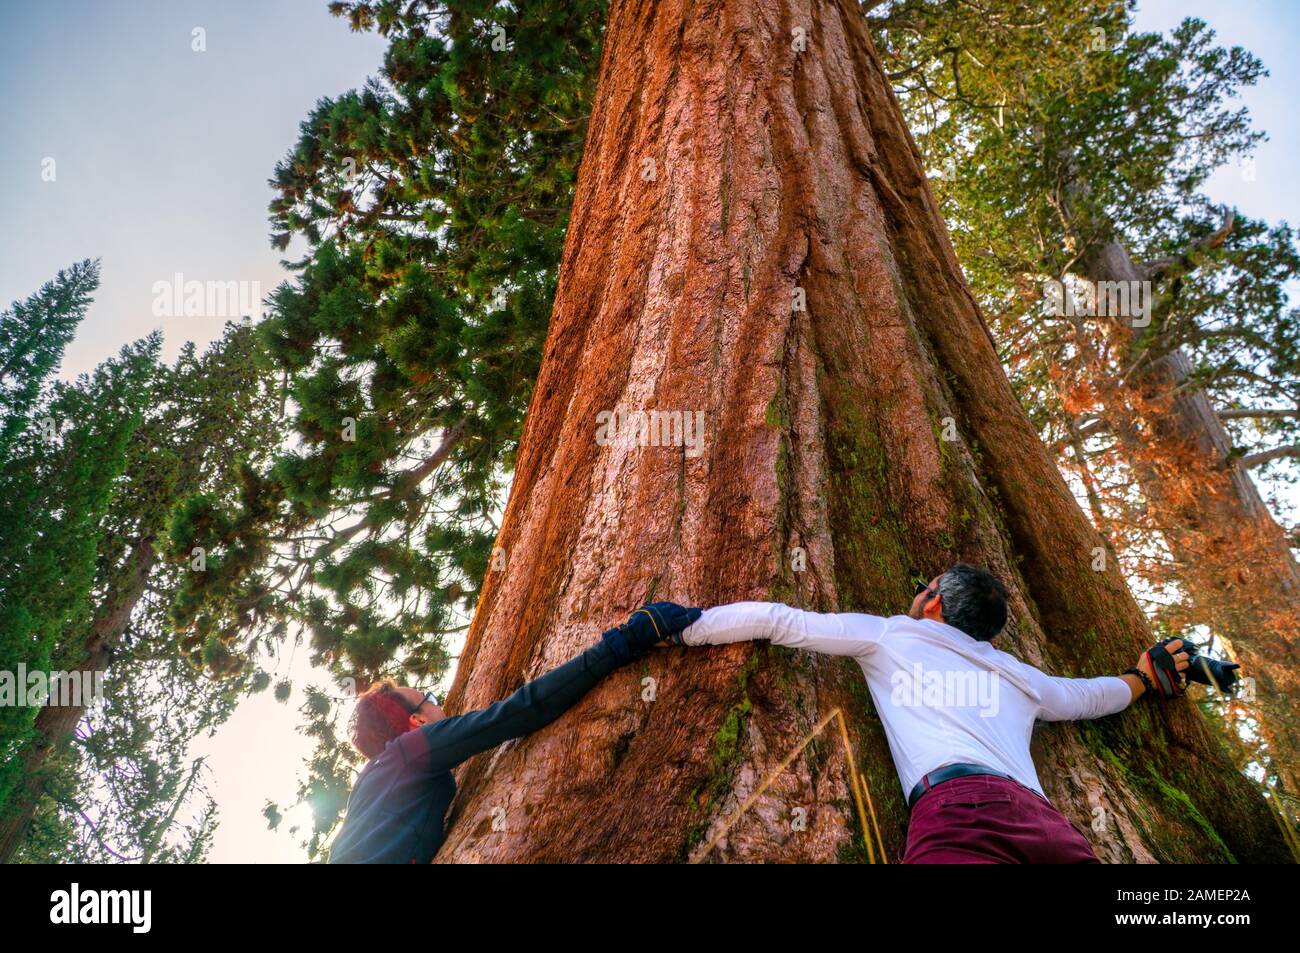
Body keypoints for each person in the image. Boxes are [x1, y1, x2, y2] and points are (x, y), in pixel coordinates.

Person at [675, 563, 1196, 863]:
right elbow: (1091, 698)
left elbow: (778, 620)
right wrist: (1145, 678)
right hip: (1046, 825)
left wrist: (686, 627)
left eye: (924, 588)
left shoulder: (891, 634)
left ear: (934, 605)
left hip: (959, 811)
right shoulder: (1021, 677)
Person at [329, 601, 700, 863]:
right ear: (418, 722)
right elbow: (517, 712)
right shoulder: (407, 752)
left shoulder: (372, 786)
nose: (440, 703)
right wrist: (620, 645)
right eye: (429, 697)